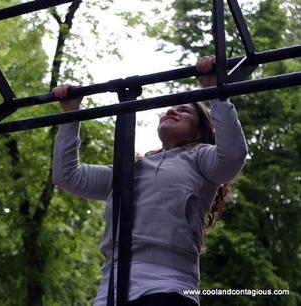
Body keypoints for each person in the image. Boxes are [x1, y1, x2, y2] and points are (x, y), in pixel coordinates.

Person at [51, 56, 248, 306]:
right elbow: (67, 176)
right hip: (110, 291)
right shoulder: (129, 168)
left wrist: (215, 90)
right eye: (169, 108)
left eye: (184, 110)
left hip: (168, 288)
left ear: (200, 130)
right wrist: (71, 114)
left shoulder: (201, 159)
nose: (171, 110)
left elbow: (232, 155)